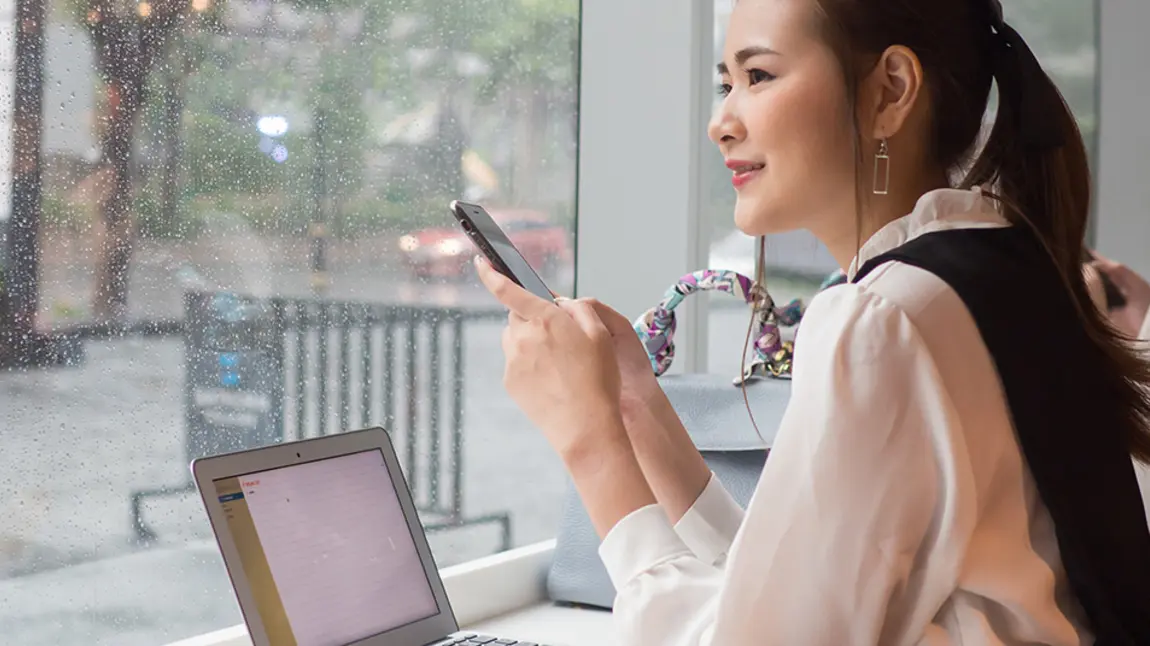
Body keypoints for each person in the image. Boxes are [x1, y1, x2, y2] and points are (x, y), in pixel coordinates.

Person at [476, 0, 1150, 643]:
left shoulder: (883, 319)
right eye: (724, 84)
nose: (722, 122)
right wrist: (634, 407)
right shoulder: (995, 263)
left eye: (758, 76)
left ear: (890, 90)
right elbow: (793, 591)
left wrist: (588, 442)